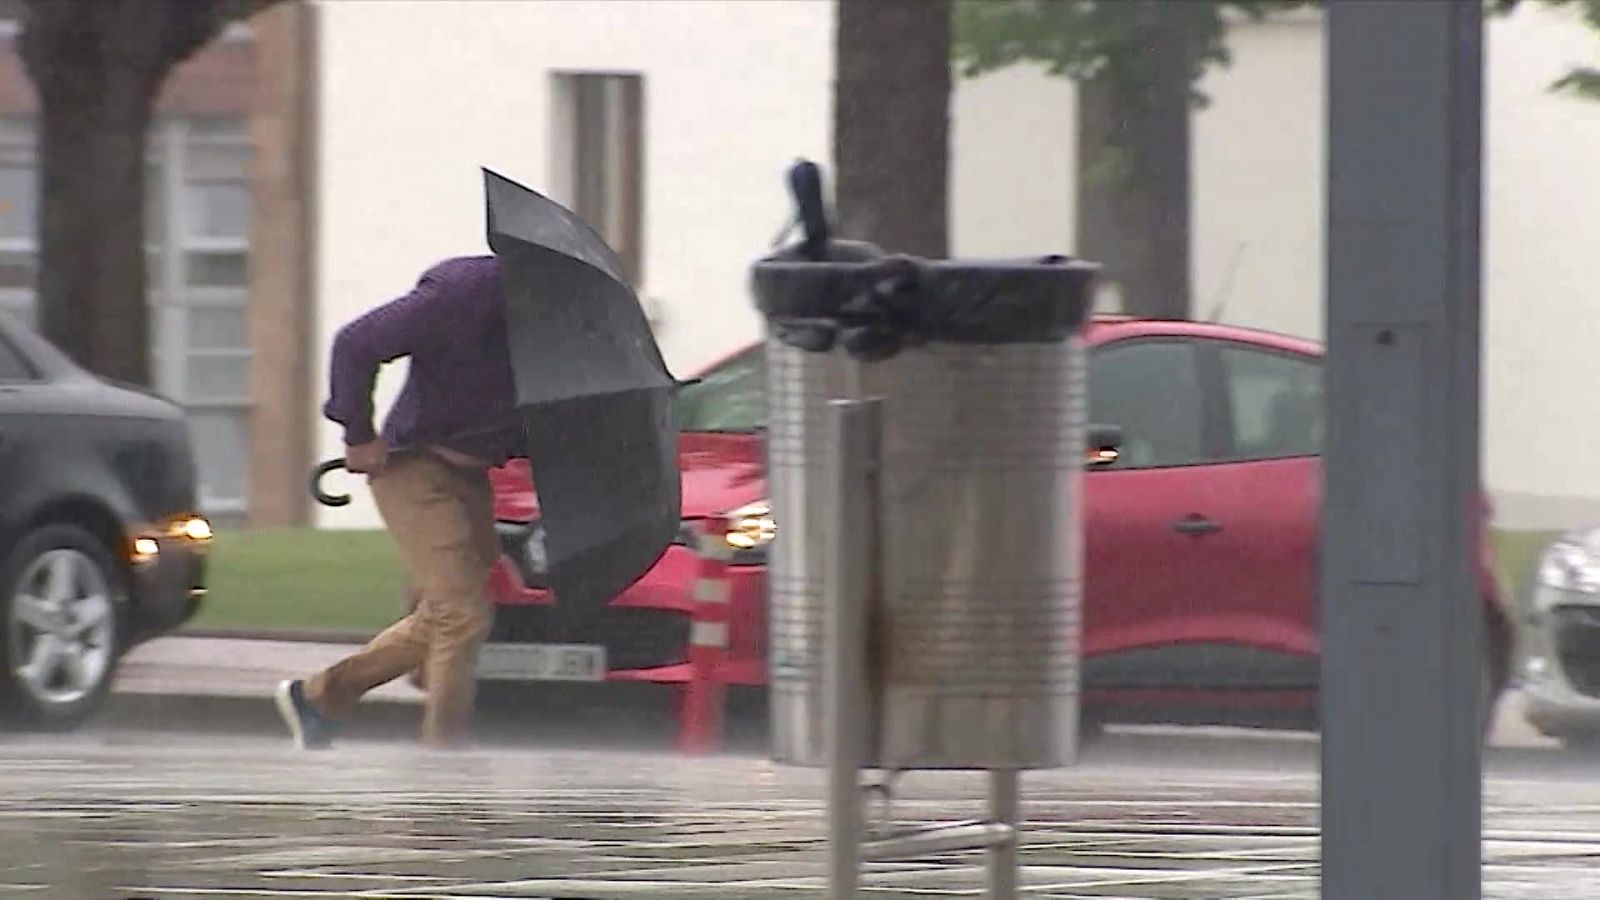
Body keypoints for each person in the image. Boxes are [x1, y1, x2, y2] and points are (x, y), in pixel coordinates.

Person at [275, 255, 520, 750]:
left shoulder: (564, 331)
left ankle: (320, 696)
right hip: (413, 468)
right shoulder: (461, 294)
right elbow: (355, 343)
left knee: (447, 611)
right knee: (461, 615)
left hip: (472, 477)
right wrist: (358, 434)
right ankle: (445, 760)